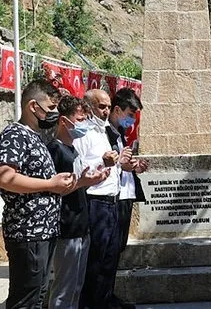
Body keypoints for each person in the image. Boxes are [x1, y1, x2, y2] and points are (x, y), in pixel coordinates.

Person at [0, 79, 76, 309]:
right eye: (50, 108)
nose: (53, 113)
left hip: (44, 231)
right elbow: (6, 178)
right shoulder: (14, 135)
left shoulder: (37, 137)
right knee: (25, 301)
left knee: (37, 298)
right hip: (28, 232)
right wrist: (50, 183)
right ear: (32, 106)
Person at [47, 96, 110, 309]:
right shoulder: (55, 150)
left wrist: (91, 180)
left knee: (76, 287)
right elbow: (55, 189)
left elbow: (76, 183)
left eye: (85, 118)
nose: (83, 123)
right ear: (64, 121)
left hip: (81, 225)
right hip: (67, 227)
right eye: (79, 119)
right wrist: (83, 181)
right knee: (64, 290)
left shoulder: (73, 149)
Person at [75, 89, 133, 309]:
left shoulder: (105, 132)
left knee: (109, 257)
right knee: (96, 258)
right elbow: (78, 167)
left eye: (108, 106)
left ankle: (104, 299)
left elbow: (113, 165)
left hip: (112, 199)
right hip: (95, 201)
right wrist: (102, 161)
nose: (106, 110)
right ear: (88, 106)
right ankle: (90, 303)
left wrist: (123, 163)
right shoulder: (83, 132)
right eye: (102, 106)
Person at [105, 88, 149, 309]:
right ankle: (101, 299)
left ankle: (109, 296)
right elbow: (105, 166)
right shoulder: (105, 133)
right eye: (129, 114)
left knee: (117, 250)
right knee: (107, 254)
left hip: (125, 196)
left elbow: (122, 166)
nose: (131, 120)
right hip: (113, 198)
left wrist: (133, 167)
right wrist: (121, 165)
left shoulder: (119, 134)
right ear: (116, 109)